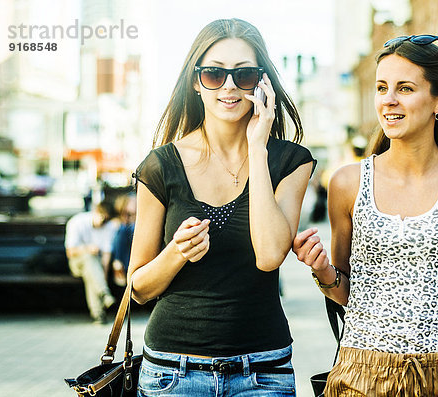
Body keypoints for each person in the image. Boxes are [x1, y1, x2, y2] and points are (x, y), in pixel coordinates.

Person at [293, 35, 438, 396]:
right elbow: (347, 291)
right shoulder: (347, 182)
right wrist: (323, 270)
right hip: (361, 374)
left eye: (404, 88)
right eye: (382, 88)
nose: (389, 100)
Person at [128, 18, 315, 396]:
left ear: (262, 83)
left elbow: (269, 255)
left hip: (262, 371)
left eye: (244, 75)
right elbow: (139, 289)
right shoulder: (160, 165)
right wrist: (176, 253)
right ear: (196, 82)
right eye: (214, 74)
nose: (229, 86)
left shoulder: (290, 162)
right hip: (171, 373)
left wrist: (258, 148)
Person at [65, 200, 118, 324]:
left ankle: (98, 315)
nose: (104, 223)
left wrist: (102, 278)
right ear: (95, 212)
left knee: (91, 273)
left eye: (107, 220)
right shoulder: (77, 222)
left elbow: (106, 257)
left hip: (95, 266)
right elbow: (70, 252)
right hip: (76, 262)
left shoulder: (108, 227)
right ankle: (104, 294)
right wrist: (87, 249)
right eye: (103, 219)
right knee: (89, 258)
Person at [111, 193, 136, 287]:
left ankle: (119, 265)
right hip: (125, 254)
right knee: (121, 231)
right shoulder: (122, 225)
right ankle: (118, 265)